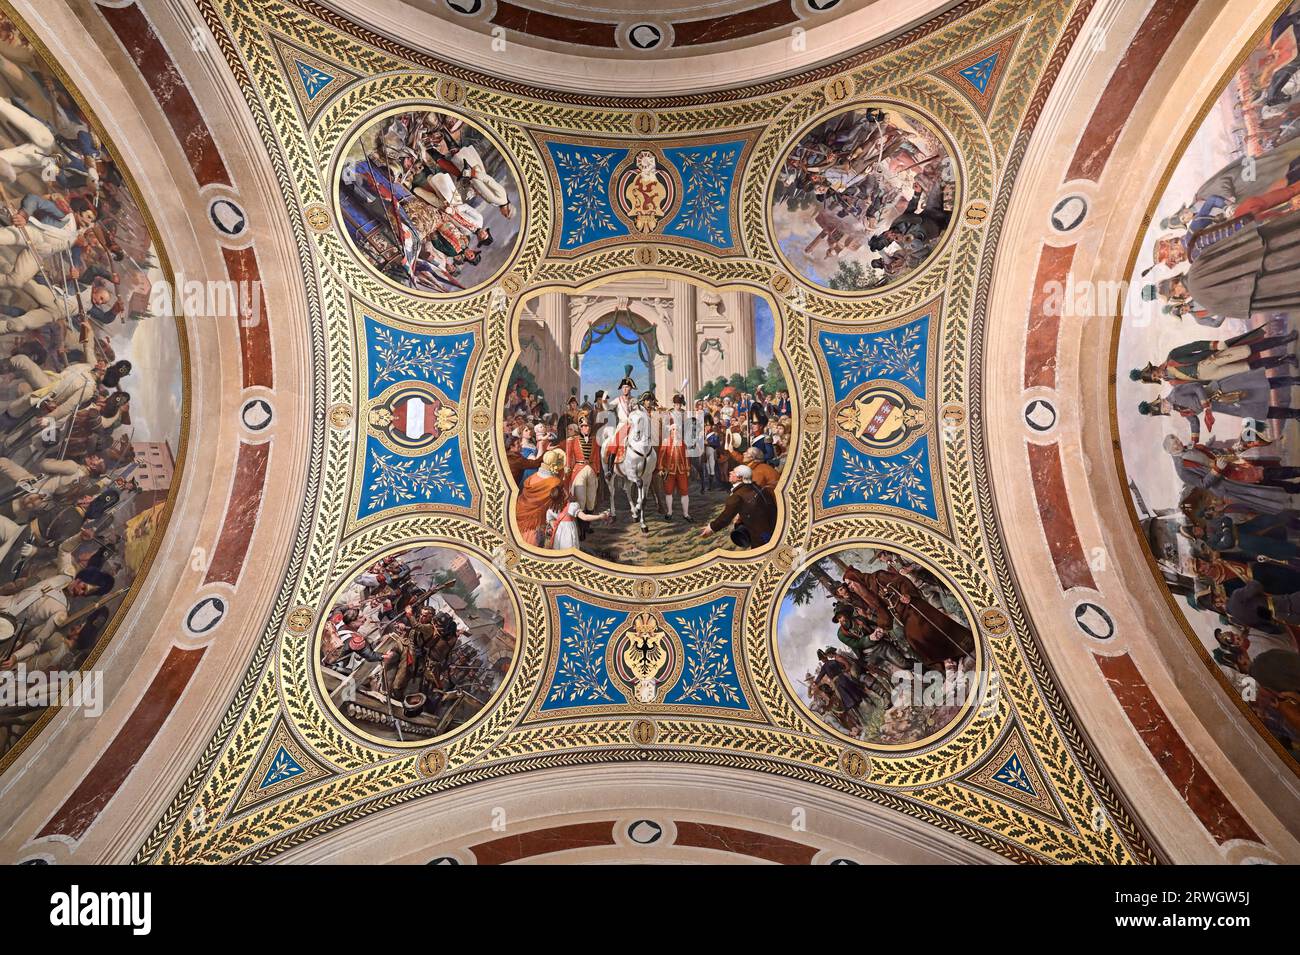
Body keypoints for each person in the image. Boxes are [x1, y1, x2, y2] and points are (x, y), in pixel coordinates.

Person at [699, 464, 776, 548]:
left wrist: (711, 528)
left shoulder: (737, 496)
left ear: (740, 478)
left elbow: (725, 517)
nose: (730, 472)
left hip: (760, 534)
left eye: (734, 472)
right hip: (772, 528)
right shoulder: (756, 487)